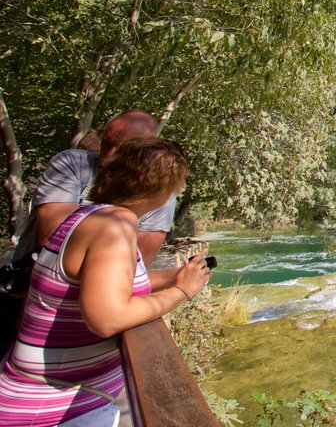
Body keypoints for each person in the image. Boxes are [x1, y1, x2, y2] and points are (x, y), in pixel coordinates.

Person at [0, 137, 210, 426]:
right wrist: (183, 291)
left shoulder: (91, 215)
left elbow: (108, 283)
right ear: (164, 189)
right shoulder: (115, 225)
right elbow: (107, 318)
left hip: (54, 394)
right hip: (53, 407)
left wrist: (175, 276)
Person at [31, 110, 176, 267]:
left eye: (121, 148)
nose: (108, 155)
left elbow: (135, 266)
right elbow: (51, 240)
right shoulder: (72, 164)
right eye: (106, 143)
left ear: (146, 151)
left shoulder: (160, 194)